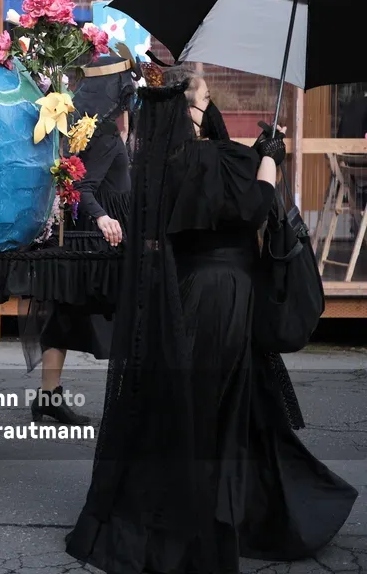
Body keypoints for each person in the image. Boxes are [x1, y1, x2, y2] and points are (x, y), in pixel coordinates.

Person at [65, 65, 355, 573]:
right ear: (187, 110)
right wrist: (269, 158)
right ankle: (222, 513)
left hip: (189, 291)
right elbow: (254, 207)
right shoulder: (211, 158)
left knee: (211, 403)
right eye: (203, 103)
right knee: (219, 405)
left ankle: (227, 507)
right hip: (225, 295)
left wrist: (258, 157)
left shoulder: (158, 164)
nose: (210, 111)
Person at [20, 55, 136, 425]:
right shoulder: (99, 132)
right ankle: (130, 402)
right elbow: (81, 184)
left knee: (65, 313)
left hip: (82, 234)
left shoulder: (81, 122)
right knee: (126, 315)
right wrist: (104, 218)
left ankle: (49, 396)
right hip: (99, 238)